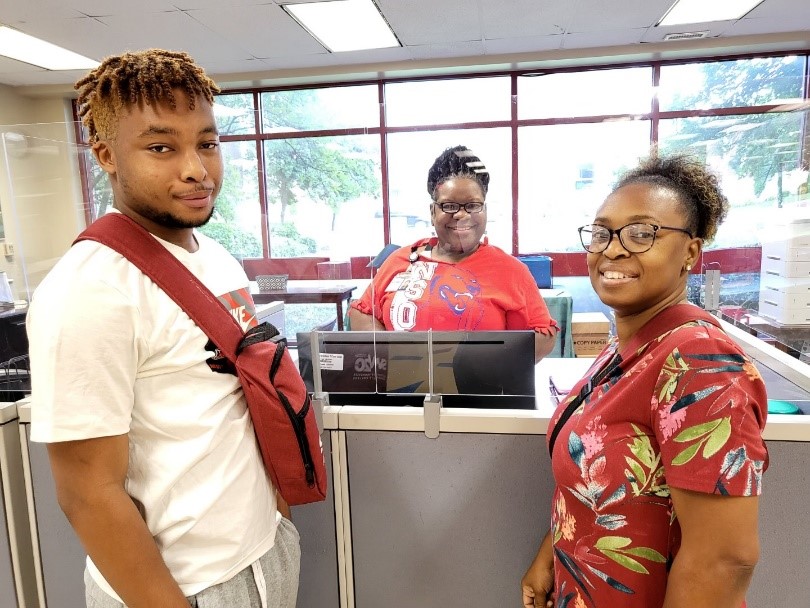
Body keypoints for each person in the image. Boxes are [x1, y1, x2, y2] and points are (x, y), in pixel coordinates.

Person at [27, 49, 300, 608]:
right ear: (105, 154)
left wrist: (275, 516)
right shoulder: (90, 290)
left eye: (206, 142)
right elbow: (86, 493)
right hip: (181, 586)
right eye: (160, 147)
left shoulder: (216, 256)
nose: (196, 169)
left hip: (262, 553)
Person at [522, 154, 768, 608]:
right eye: (602, 233)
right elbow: (598, 484)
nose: (612, 250)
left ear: (691, 252)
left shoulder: (698, 362)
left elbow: (724, 559)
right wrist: (549, 556)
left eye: (642, 234)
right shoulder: (624, 349)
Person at [348, 145, 558, 362]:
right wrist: (391, 358)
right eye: (449, 205)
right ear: (432, 212)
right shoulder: (401, 260)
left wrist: (485, 365)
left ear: (485, 210)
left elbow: (543, 336)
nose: (461, 215)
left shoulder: (510, 270)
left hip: (478, 392)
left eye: (472, 205)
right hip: (401, 391)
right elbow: (363, 311)